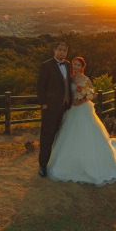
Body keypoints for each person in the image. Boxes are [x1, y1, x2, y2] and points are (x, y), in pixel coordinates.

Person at [47, 57, 116, 186]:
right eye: (74, 64)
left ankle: (91, 162)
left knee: (87, 133)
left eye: (78, 65)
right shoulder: (69, 79)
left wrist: (82, 100)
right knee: (69, 134)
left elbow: (92, 94)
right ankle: (69, 162)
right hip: (72, 110)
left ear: (82, 67)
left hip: (83, 109)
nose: (75, 67)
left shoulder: (86, 79)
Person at [35, 42, 72, 178]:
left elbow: (68, 84)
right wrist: (43, 104)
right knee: (47, 136)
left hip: (64, 107)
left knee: (59, 136)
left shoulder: (67, 65)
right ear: (54, 50)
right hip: (50, 108)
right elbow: (40, 86)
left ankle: (55, 162)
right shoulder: (47, 65)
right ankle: (43, 165)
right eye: (60, 50)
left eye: (64, 51)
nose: (62, 53)